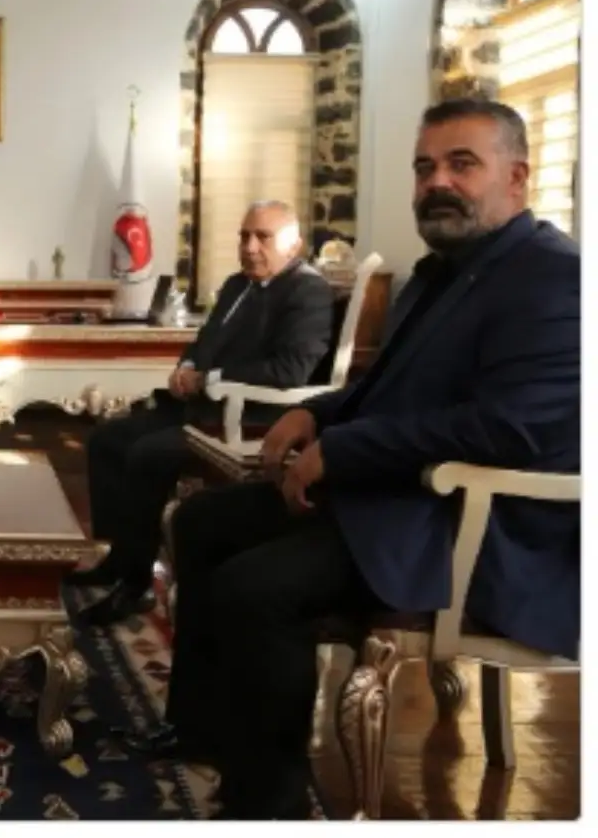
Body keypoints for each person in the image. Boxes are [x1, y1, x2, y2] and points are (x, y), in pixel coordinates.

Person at [138, 99, 580, 819]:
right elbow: (389, 387)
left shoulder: (556, 279)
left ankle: (267, 806)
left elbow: (508, 429)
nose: (437, 182)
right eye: (425, 168)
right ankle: (203, 730)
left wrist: (342, 450)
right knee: (202, 522)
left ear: (517, 177)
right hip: (403, 496)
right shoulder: (444, 272)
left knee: (257, 589)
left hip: (477, 530)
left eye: (462, 164)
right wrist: (317, 413)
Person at [73, 201, 335, 625]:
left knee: (146, 454)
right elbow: (203, 343)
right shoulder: (236, 285)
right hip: (201, 406)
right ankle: (119, 557)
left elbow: (290, 370)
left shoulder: (308, 292)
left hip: (250, 419)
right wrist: (188, 366)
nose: (249, 247)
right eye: (244, 236)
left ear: (294, 246)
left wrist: (209, 377)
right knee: (106, 440)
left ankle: (136, 585)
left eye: (262, 237)